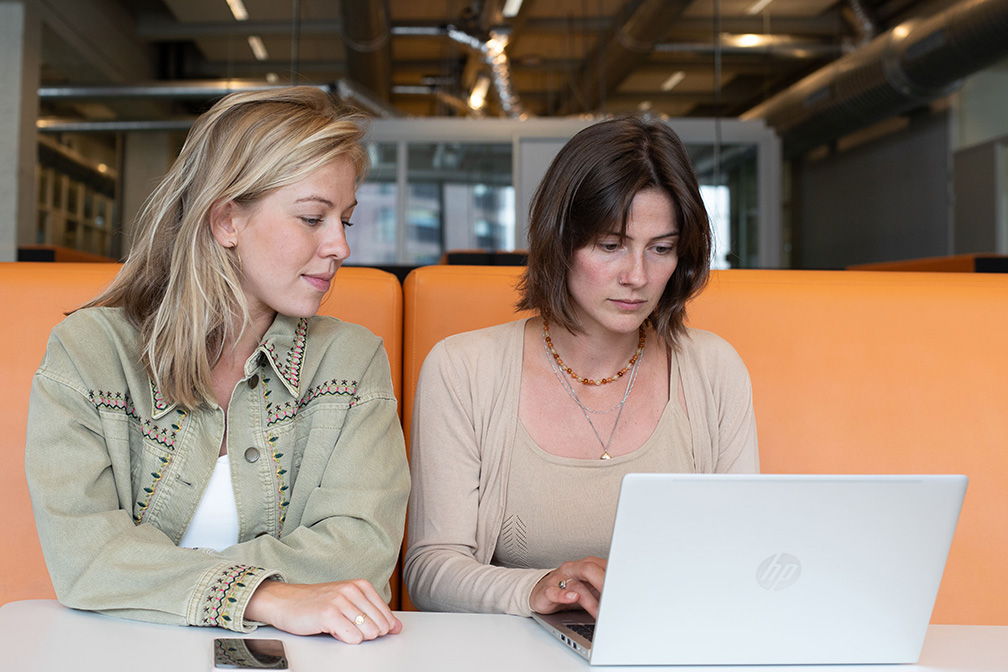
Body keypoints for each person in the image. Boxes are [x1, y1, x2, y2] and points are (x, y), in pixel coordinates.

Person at [25, 87, 409, 644]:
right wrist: (266, 595)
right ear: (227, 220)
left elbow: (362, 552)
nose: (340, 247)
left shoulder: (352, 360)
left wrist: (154, 577)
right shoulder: (87, 352)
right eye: (312, 218)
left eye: (344, 221)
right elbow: (83, 556)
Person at [404, 116, 758, 617]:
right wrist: (540, 589)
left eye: (661, 249)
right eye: (610, 246)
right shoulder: (463, 369)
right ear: (560, 241)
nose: (637, 276)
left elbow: (743, 553)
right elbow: (431, 570)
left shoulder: (713, 369)